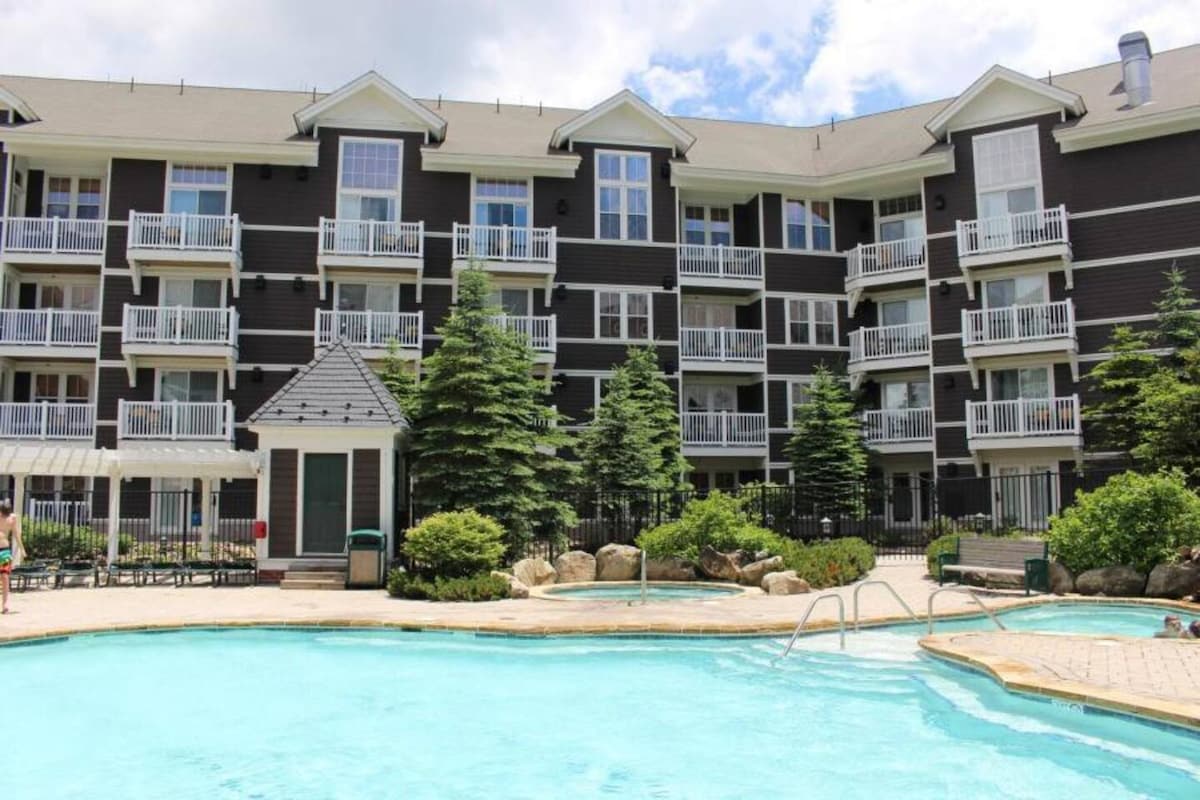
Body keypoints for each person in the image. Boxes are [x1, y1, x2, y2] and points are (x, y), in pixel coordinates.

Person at [0, 497, 25, 614]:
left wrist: (22, 549)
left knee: (5, 577)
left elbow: (16, 534)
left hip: (4, 551)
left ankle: (5, 604)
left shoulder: (11, 519)